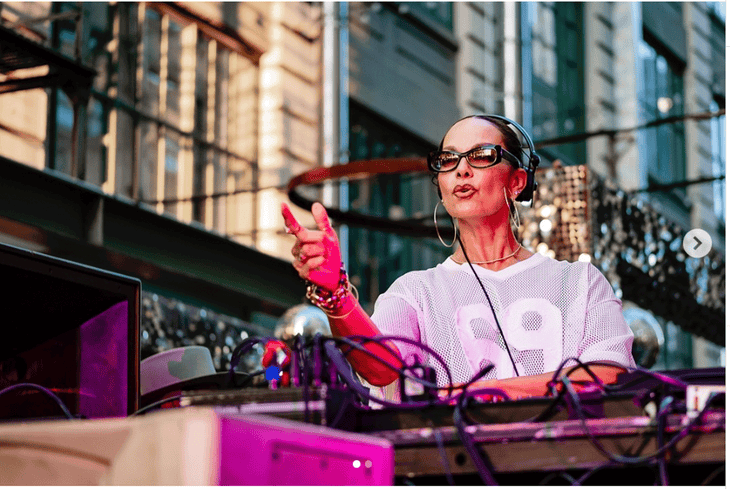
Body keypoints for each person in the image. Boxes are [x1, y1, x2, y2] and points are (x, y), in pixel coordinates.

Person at [281, 114, 635, 402]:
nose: (461, 170)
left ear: (516, 182)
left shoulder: (579, 282)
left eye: (481, 155)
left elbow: (608, 373)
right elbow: (381, 371)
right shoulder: (415, 291)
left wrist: (472, 393)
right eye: (449, 160)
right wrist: (335, 294)